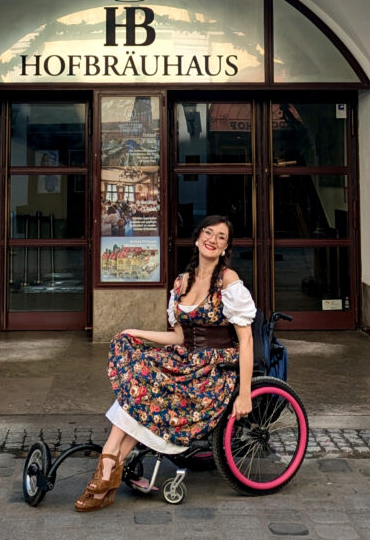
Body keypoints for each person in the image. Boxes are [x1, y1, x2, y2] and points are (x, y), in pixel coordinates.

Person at [74, 215, 255, 512]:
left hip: (213, 369)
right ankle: (113, 465)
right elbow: (178, 336)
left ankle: (108, 462)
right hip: (184, 359)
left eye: (221, 237)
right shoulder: (182, 282)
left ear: (225, 248)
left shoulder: (229, 282)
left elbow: (245, 341)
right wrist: (135, 332)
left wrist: (245, 392)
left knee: (146, 377)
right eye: (207, 233)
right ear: (197, 239)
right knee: (140, 364)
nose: (212, 239)